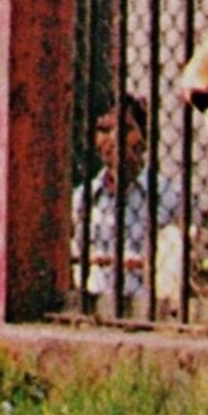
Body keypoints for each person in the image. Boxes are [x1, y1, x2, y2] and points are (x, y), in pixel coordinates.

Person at [72, 95, 181, 300]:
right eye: (104, 130)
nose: (114, 139)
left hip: (152, 309)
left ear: (145, 138)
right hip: (95, 307)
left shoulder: (169, 196)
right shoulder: (82, 199)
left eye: (125, 129)